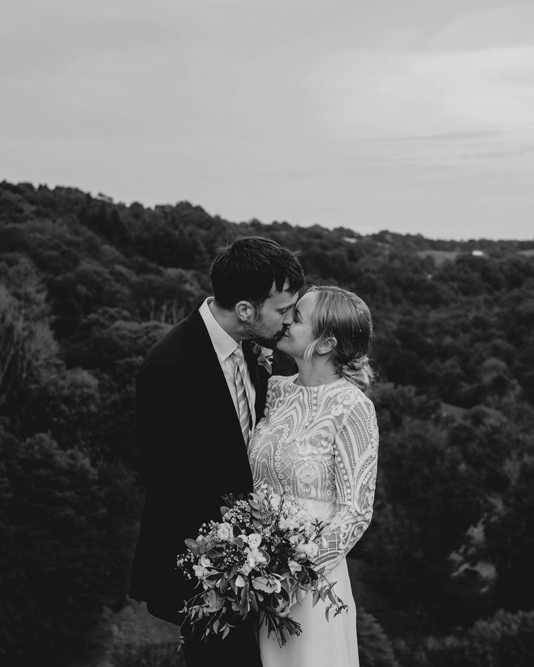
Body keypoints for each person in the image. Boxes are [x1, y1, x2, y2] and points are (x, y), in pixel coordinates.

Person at [130, 236, 305, 667]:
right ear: (245, 310)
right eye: (283, 311)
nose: (288, 322)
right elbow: (170, 484)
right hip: (209, 573)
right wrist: (233, 565)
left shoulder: (253, 345)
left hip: (259, 565)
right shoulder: (169, 368)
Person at [248, 285, 379, 667]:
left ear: (325, 344)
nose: (285, 319)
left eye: (298, 316)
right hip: (253, 575)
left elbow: (355, 512)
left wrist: (292, 578)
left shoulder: (352, 407)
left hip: (309, 587)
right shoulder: (274, 390)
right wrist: (252, 568)